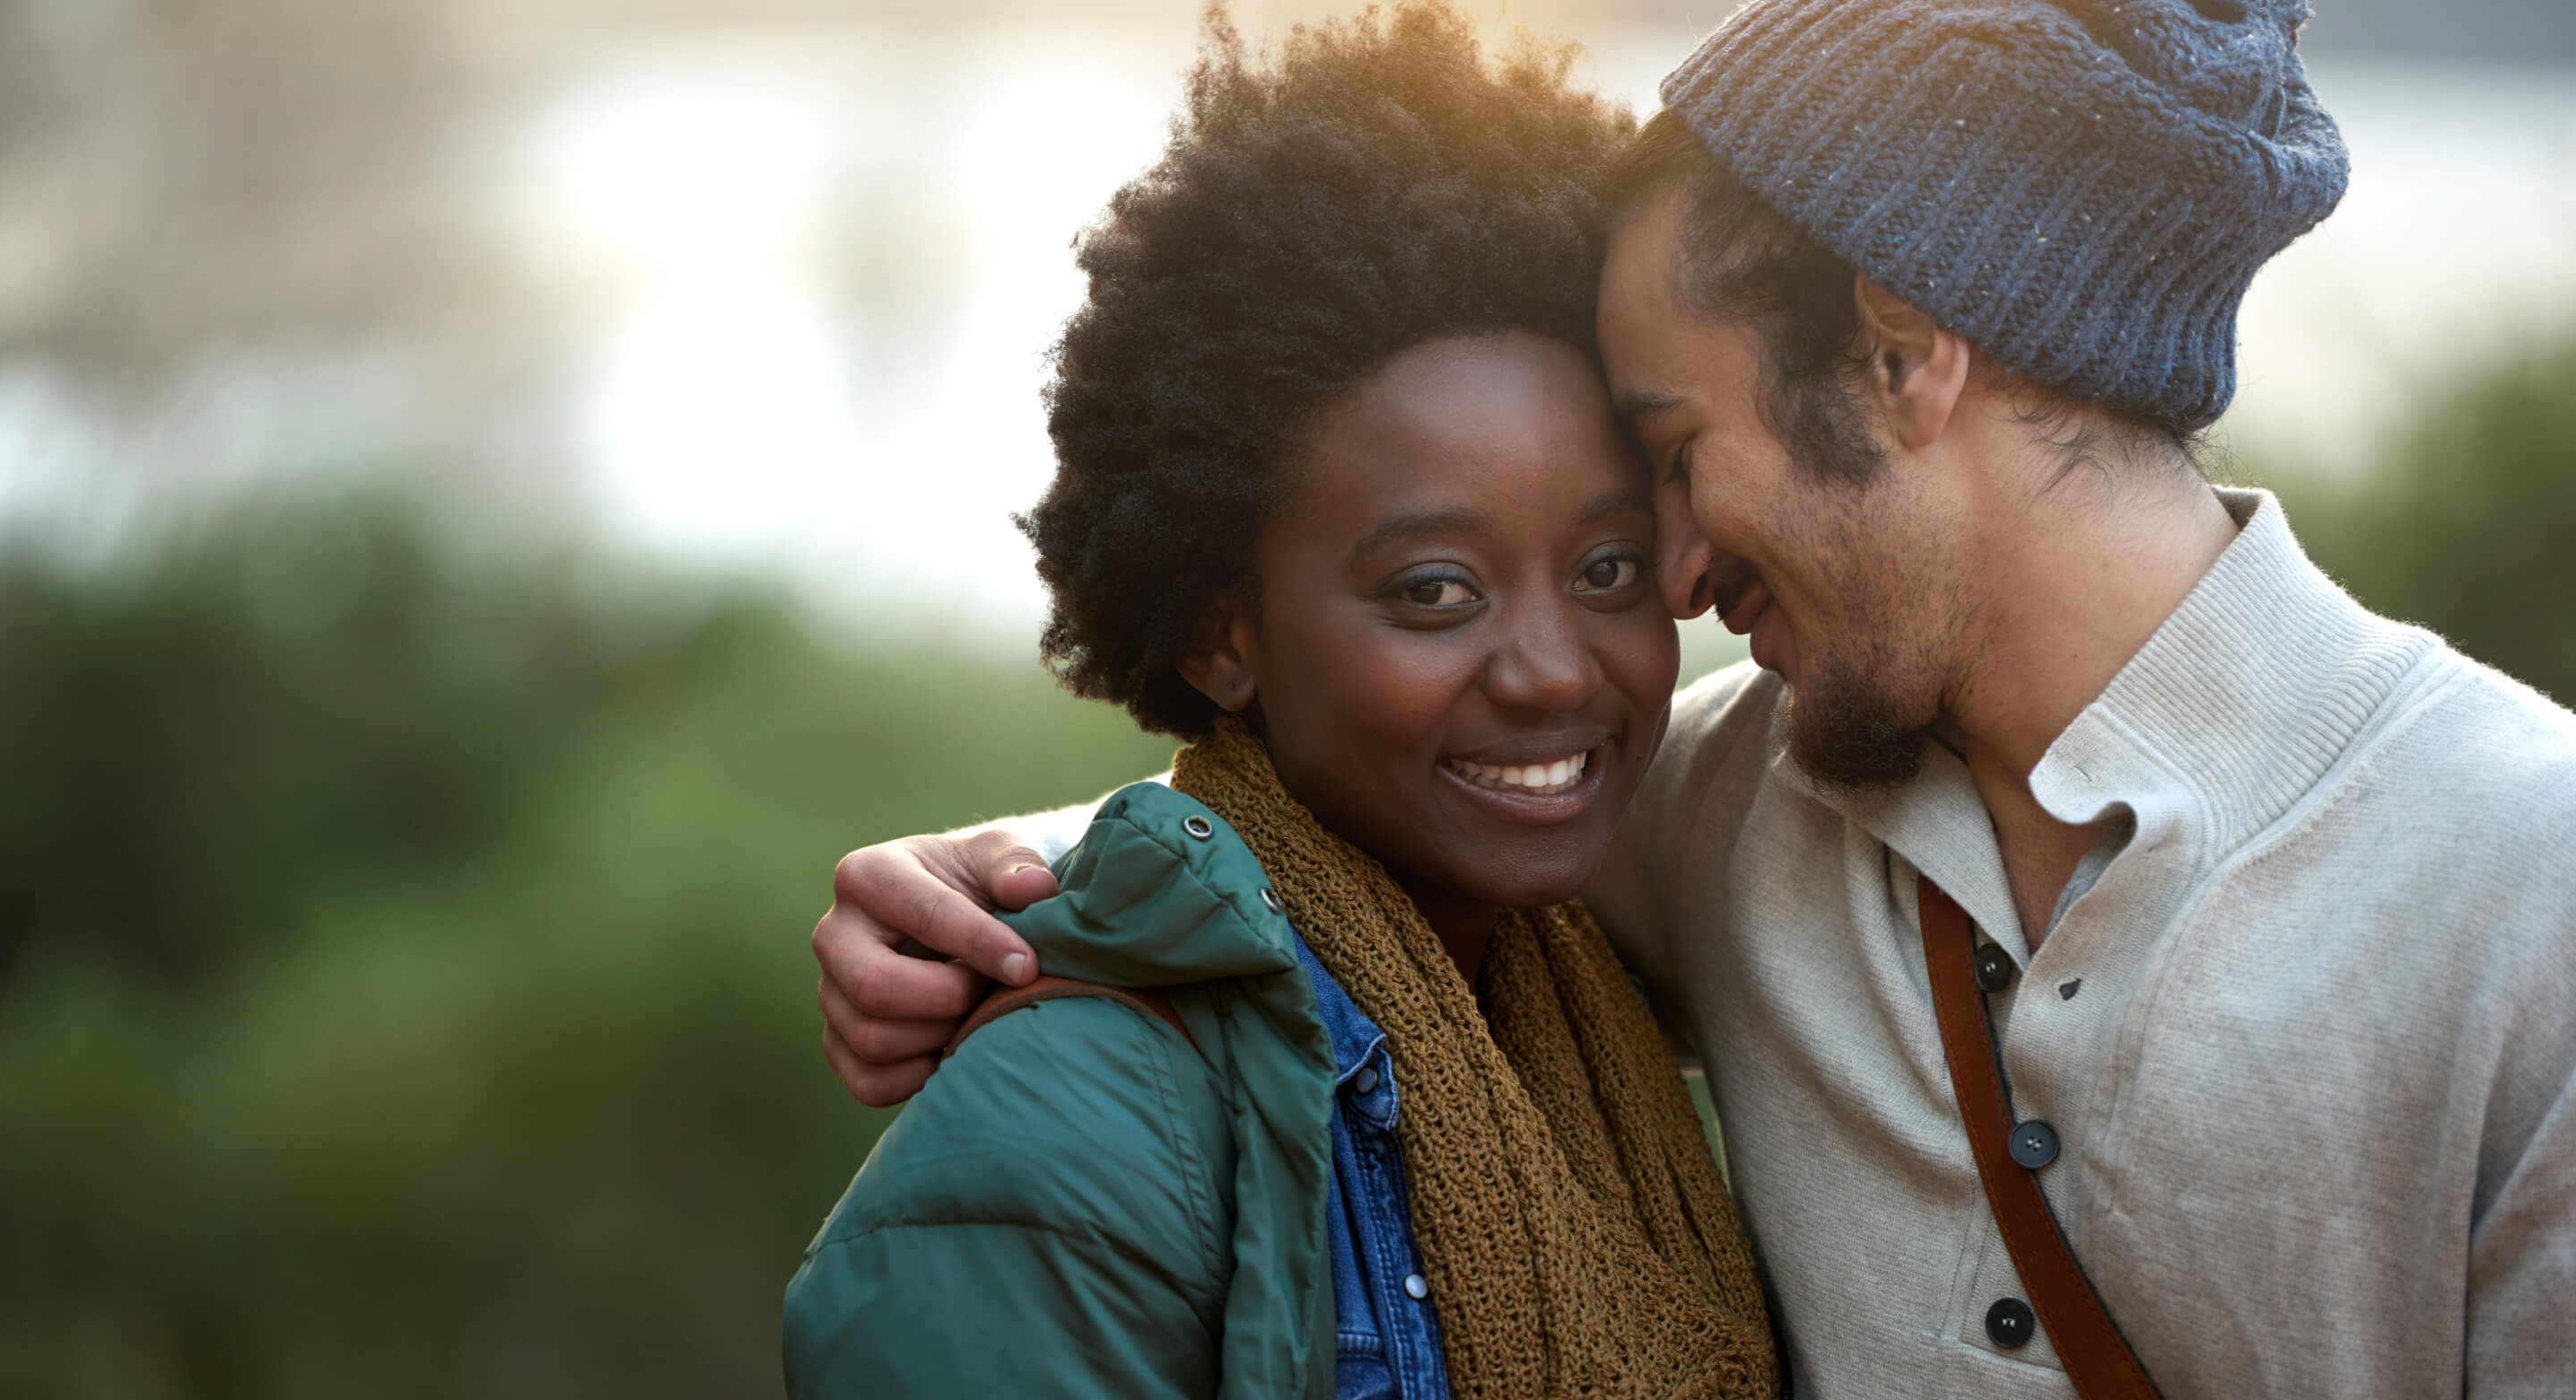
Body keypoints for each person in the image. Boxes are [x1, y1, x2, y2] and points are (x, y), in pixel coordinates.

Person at [816, 0, 2576, 1395]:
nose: (1657, 583)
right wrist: (1005, 875)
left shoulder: (2527, 895)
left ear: (1898, 355)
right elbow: (1349, 822)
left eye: (1669, 456)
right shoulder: (1749, 796)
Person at [782, 7, 1777, 1397]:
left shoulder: (1569, 984)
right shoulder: (1071, 1134)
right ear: (1219, 635)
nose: (1555, 668)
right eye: (1435, 590)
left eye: (1608, 566)